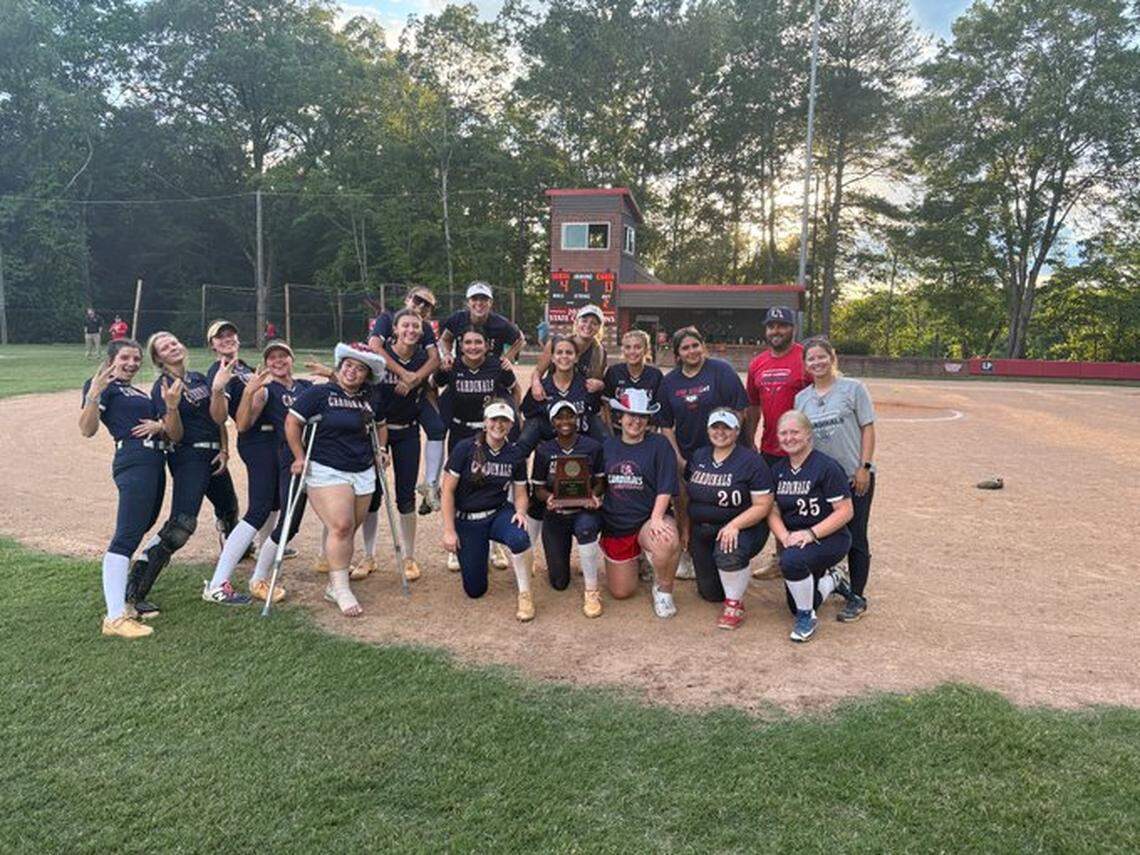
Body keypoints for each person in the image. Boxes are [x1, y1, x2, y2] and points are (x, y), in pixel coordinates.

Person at [124, 332, 246, 615]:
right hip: (188, 457)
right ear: (159, 358)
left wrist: (225, 451)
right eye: (164, 346)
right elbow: (175, 435)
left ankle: (239, 553)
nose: (172, 346)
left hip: (214, 453)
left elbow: (218, 420)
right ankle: (137, 585)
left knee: (229, 509)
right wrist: (171, 407)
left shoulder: (199, 378)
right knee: (181, 525)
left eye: (174, 341)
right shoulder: (163, 387)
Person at [80, 339, 183, 638]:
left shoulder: (136, 391)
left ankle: (124, 602)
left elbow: (170, 429)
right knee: (126, 535)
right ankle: (114, 617)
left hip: (154, 459)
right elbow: (87, 429)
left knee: (141, 527)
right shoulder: (103, 386)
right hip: (134, 459)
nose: (132, 363)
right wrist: (93, 395)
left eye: (136, 358)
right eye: (125, 357)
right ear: (112, 359)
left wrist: (162, 424)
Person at [286, 343, 388, 618]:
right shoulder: (318, 394)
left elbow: (380, 425)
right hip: (326, 468)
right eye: (348, 366)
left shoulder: (370, 398)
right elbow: (293, 422)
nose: (352, 372)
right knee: (341, 526)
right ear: (340, 366)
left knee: (349, 528)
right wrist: (298, 456)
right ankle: (342, 589)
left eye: (360, 369)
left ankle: (334, 582)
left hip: (363, 469)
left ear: (367, 375)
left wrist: (380, 450)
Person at [205, 322, 290, 602]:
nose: (227, 339)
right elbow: (225, 416)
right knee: (258, 509)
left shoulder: (244, 367)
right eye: (220, 337)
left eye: (230, 335)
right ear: (213, 346)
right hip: (256, 441)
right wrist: (222, 389)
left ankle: (268, 549)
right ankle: (218, 583)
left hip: (275, 440)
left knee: (274, 504)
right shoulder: (221, 372)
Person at [656, 326, 749, 579]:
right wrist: (677, 457)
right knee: (684, 502)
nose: (691, 351)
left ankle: (728, 550)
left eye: (695, 345)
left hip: (722, 451)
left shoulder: (721, 371)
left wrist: (729, 447)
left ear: (703, 346)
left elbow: (740, 410)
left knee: (720, 501)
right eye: (685, 348)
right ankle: (687, 553)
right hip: (687, 453)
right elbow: (665, 424)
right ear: (677, 354)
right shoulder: (670, 382)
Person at [795, 337, 876, 622]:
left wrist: (863, 466)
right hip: (822, 479)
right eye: (811, 359)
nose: (817, 363)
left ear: (832, 357)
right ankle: (831, 579)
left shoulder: (853, 389)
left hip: (854, 476)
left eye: (821, 357)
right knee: (824, 531)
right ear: (805, 365)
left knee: (855, 535)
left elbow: (867, 428)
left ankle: (857, 595)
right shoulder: (802, 398)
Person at [440, 399, 536, 621]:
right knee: (475, 590)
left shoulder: (515, 454)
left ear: (511, 425)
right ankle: (477, 557)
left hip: (497, 513)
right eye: (494, 419)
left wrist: (520, 512)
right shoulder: (465, 448)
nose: (499, 425)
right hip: (467, 520)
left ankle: (525, 593)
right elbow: (447, 491)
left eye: (504, 421)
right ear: (485, 422)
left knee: (519, 537)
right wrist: (449, 530)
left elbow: (521, 493)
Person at [433, 327, 519, 572]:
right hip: (461, 431)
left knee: (493, 482)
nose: (472, 346)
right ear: (461, 345)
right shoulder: (452, 366)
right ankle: (454, 544)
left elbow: (514, 390)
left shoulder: (497, 366)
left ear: (486, 345)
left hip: (490, 430)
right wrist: (438, 417)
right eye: (468, 342)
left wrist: (515, 417)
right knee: (458, 486)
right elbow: (432, 386)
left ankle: (495, 545)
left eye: (477, 342)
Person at [767, 410, 854, 643]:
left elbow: (846, 511)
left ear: (808, 435)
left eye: (795, 432)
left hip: (830, 537)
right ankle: (833, 580)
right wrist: (783, 536)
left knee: (791, 562)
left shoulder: (826, 467)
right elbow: (772, 510)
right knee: (796, 601)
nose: (789, 438)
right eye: (783, 433)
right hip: (796, 540)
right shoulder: (777, 470)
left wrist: (811, 533)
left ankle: (807, 618)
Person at [683, 409, 773, 629]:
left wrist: (734, 525)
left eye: (727, 427)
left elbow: (764, 505)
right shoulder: (699, 456)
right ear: (708, 429)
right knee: (711, 593)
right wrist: (686, 530)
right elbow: (687, 497)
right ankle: (733, 577)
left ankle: (734, 604)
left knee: (728, 552)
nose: (720, 432)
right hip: (703, 531)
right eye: (715, 427)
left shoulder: (751, 460)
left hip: (742, 528)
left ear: (737, 431)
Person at [360, 309, 432, 582]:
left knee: (405, 495)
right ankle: (368, 556)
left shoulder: (424, 358)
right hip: (375, 433)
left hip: (407, 432)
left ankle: (409, 557)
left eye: (416, 326)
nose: (411, 330)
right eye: (405, 325)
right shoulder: (379, 355)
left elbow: (433, 384)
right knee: (372, 494)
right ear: (395, 329)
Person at [600, 389, 681, 617]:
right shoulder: (608, 446)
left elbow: (666, 487)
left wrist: (656, 518)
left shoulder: (659, 445)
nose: (636, 421)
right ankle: (640, 562)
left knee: (665, 539)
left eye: (642, 416)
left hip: (647, 518)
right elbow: (598, 483)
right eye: (630, 415)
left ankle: (664, 590)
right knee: (621, 592)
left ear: (648, 420)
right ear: (620, 417)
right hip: (617, 524)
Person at [242, 340, 315, 597]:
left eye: (283, 356)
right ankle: (259, 578)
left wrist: (330, 374)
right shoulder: (266, 390)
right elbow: (244, 422)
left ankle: (333, 559)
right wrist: (249, 393)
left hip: (316, 455)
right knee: (289, 521)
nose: (278, 361)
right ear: (266, 363)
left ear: (291, 359)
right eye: (272, 358)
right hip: (291, 458)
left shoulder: (306, 387)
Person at [368, 286, 446, 514]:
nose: (421, 306)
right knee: (372, 487)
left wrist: (413, 379)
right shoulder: (387, 318)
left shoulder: (424, 328)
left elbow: (435, 358)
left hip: (415, 391)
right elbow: (374, 347)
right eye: (418, 300)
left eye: (427, 305)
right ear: (408, 299)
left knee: (437, 428)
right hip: (386, 389)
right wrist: (402, 373)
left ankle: (431, 484)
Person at [530, 401, 606, 617]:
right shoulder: (544, 450)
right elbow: (537, 489)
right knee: (559, 582)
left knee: (586, 529)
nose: (565, 422)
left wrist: (594, 495)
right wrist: (550, 498)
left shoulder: (592, 447)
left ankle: (591, 589)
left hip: (584, 511)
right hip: (557, 514)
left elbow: (601, 481)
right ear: (553, 422)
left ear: (577, 419)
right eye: (560, 418)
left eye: (570, 416)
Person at [438, 281, 524, 368]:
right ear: (468, 302)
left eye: (484, 299)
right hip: (462, 370)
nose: (479, 303)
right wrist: (447, 354)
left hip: (491, 372)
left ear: (490, 302)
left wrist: (507, 358)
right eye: (474, 299)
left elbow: (520, 340)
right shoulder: (457, 319)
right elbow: (445, 339)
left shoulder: (501, 323)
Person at [529, 304, 607, 399]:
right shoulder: (557, 343)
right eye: (584, 321)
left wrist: (600, 385)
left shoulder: (600, 352)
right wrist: (536, 384)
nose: (588, 326)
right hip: (554, 396)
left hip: (581, 401)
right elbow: (538, 371)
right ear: (576, 322)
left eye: (594, 323)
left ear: (599, 328)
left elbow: (600, 382)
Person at [602, 328, 663, 434]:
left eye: (637, 347)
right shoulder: (614, 372)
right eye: (628, 347)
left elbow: (658, 408)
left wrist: (652, 435)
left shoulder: (655, 374)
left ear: (646, 350)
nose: (632, 351)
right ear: (623, 350)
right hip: (618, 430)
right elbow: (606, 405)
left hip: (645, 431)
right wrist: (611, 434)